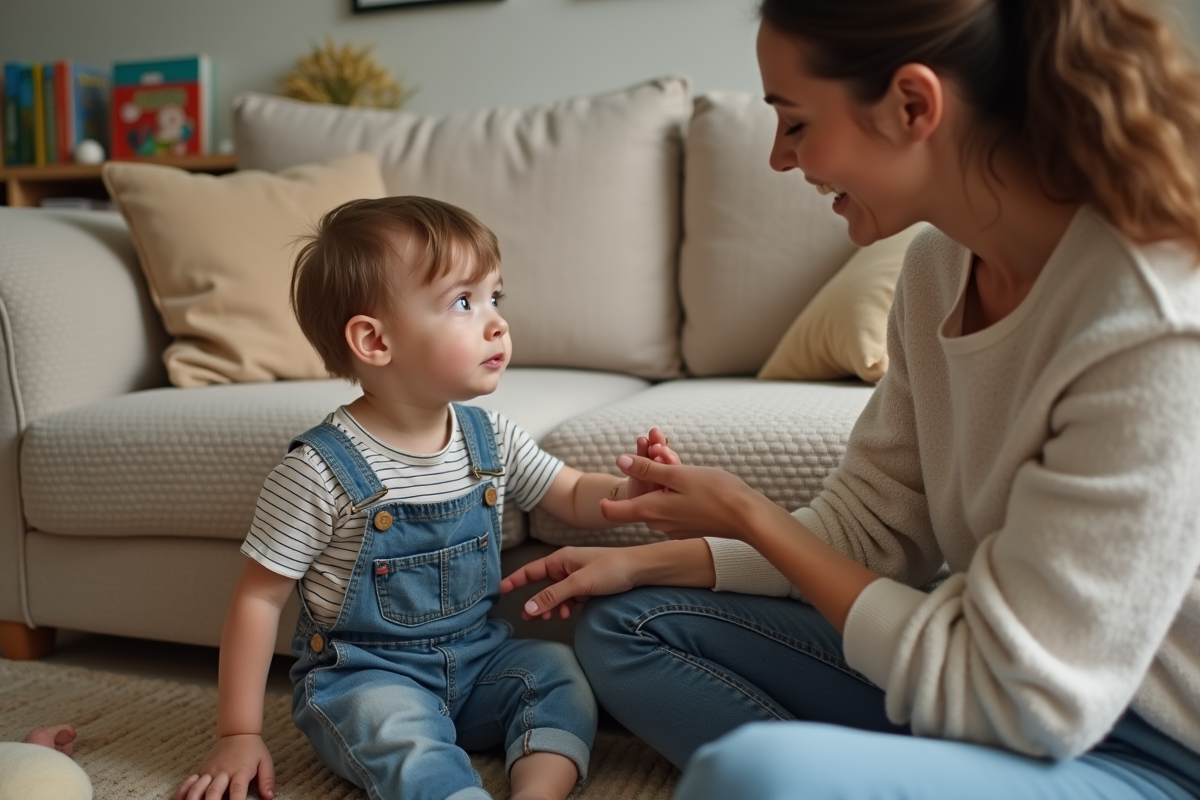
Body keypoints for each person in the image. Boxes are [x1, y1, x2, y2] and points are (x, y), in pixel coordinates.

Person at [501, 0, 1200, 797]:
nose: (777, 158)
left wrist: (747, 514)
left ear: (912, 105)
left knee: (753, 777)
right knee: (630, 622)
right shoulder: (938, 267)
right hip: (990, 686)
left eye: (794, 123)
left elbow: (1026, 701)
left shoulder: (1148, 322)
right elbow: (870, 530)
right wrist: (657, 561)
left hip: (1142, 745)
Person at [175, 196, 674, 800]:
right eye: (464, 302)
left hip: (479, 660)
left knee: (556, 675)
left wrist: (628, 491)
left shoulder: (488, 436)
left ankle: (537, 792)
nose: (497, 322)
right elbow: (258, 598)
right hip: (364, 677)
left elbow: (567, 492)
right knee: (394, 732)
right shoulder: (319, 469)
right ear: (374, 341)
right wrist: (238, 733)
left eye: (496, 297)